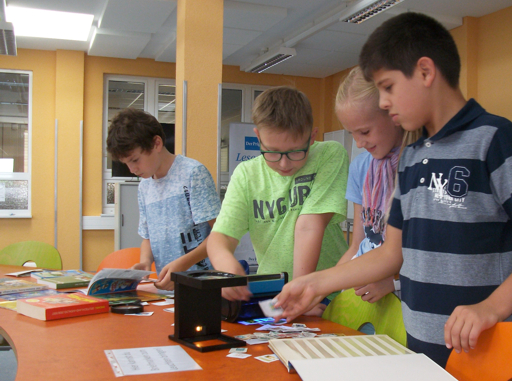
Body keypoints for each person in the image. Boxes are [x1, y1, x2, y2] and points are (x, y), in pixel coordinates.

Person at [275, 12, 512, 367]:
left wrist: (492, 307)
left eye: (388, 87)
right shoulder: (412, 157)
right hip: (421, 348)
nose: (384, 102)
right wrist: (314, 284)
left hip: (487, 350)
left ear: (426, 73)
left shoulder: (493, 139)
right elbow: (390, 254)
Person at [207, 86, 349, 316]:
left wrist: (302, 293)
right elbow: (220, 237)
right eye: (272, 152)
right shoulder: (246, 174)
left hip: (329, 293)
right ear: (258, 137)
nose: (284, 164)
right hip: (278, 295)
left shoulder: (330, 154)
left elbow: (309, 226)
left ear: (312, 137)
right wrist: (226, 266)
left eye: (295, 152)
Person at [106, 108, 221, 291]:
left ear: (157, 143)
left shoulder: (192, 173)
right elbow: (148, 237)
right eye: (126, 163)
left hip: (202, 285)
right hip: (166, 288)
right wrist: (145, 261)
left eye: (135, 160)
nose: (132, 170)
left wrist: (183, 264)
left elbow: (221, 234)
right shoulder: (144, 186)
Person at [335, 66, 419, 303]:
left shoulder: (419, 166)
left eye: (364, 131)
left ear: (394, 115)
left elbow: (428, 256)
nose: (359, 143)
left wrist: (394, 283)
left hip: (408, 298)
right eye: (351, 133)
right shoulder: (361, 168)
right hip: (368, 295)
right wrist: (320, 290)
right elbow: (358, 245)